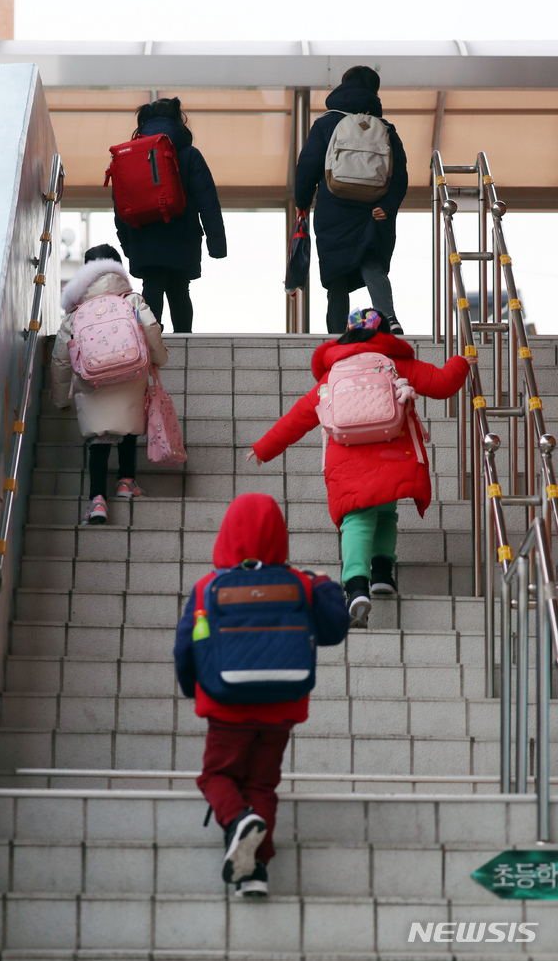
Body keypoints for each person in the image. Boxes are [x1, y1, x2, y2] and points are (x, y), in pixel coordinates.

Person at [247, 310, 469, 628]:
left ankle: (355, 589)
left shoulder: (333, 373)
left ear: (347, 335)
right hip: (393, 450)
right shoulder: (395, 362)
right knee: (385, 510)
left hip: (346, 456)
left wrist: (263, 449)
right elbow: (444, 383)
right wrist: (462, 361)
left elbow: (299, 417)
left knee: (356, 520)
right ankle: (382, 574)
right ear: (383, 334)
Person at [173, 493, 349, 896]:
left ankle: (237, 823)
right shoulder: (301, 584)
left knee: (216, 775)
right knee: (261, 785)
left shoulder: (206, 588)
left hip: (225, 705)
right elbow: (335, 629)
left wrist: (192, 690)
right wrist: (322, 583)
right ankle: (254, 872)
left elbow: (186, 648)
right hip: (281, 706)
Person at [50, 243, 168, 525]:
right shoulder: (131, 300)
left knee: (99, 437)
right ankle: (127, 482)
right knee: (127, 425)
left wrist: (60, 400)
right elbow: (151, 328)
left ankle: (97, 501)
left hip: (92, 381)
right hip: (131, 373)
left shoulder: (75, 313)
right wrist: (159, 357)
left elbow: (61, 360)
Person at [295, 65, 408, 335]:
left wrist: (302, 200)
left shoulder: (326, 123)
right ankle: (389, 319)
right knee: (371, 261)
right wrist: (387, 206)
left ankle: (337, 331)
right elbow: (399, 174)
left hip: (334, 207)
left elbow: (308, 165)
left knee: (336, 275)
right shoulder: (384, 128)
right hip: (372, 208)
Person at [114, 97, 227, 333]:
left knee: (152, 284)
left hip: (144, 237)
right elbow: (208, 201)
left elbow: (120, 203)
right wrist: (216, 244)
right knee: (179, 288)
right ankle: (184, 339)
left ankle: (151, 340)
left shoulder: (129, 156)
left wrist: (128, 244)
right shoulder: (189, 154)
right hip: (183, 236)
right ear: (178, 121)